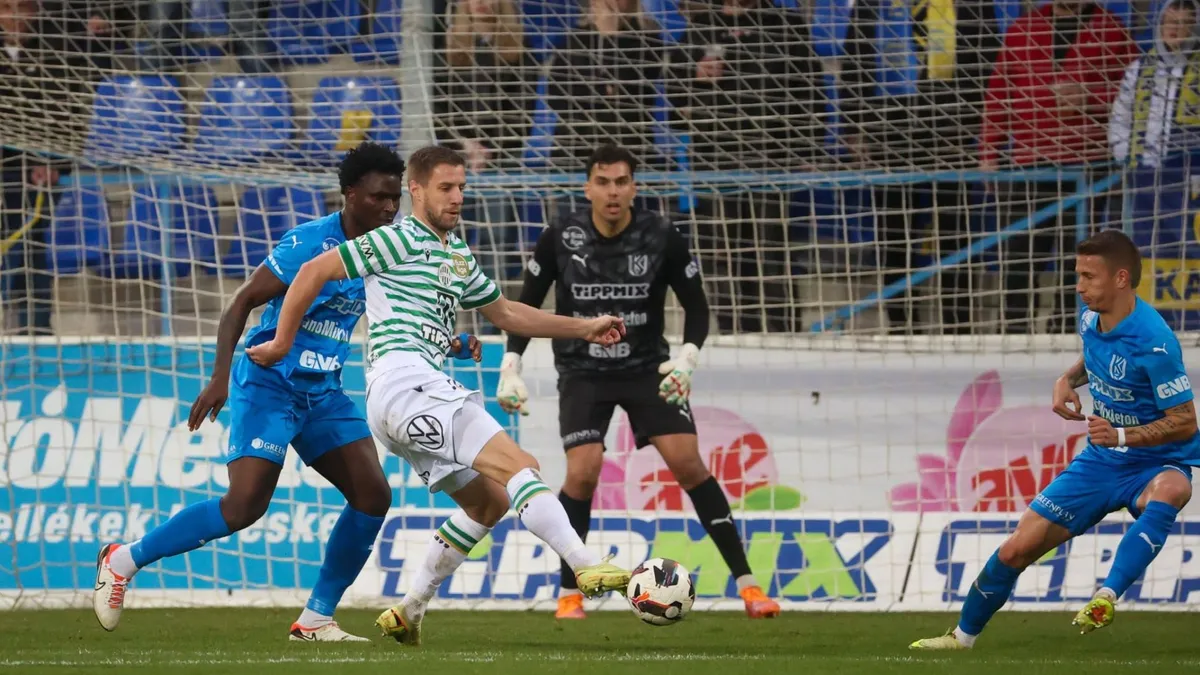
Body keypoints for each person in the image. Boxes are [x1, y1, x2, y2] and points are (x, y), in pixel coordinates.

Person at [244, 145, 632, 646]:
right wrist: (281, 341)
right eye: (445, 188)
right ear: (417, 190)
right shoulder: (396, 238)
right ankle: (584, 564)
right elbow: (312, 271)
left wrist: (585, 327)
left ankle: (409, 610)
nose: (456, 197)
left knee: (489, 504)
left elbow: (508, 314)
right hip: (407, 384)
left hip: (404, 400)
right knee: (521, 466)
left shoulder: (456, 254)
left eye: (461, 187)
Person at [91, 143, 472, 642]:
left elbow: (406, 315)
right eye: (377, 197)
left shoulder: (387, 249)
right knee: (244, 507)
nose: (387, 207)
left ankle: (315, 620)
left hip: (323, 393)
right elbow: (241, 302)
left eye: (393, 198)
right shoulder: (310, 243)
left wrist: (452, 341)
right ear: (350, 194)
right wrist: (219, 377)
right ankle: (122, 559)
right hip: (269, 383)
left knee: (373, 496)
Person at [495, 144, 781, 620]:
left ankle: (749, 587)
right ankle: (569, 592)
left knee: (688, 462)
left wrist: (687, 360)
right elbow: (524, 306)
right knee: (583, 471)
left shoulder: (661, 235)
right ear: (587, 188)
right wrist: (511, 366)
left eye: (621, 182)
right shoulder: (559, 236)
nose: (612, 191)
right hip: (583, 370)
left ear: (634, 188)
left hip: (648, 369)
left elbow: (697, 306)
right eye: (603, 182)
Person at [910, 229, 1199, 650]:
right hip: (1101, 461)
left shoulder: (1156, 344)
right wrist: (1067, 379)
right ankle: (961, 638)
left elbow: (1186, 422)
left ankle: (1106, 597)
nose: (1079, 286)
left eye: (1089, 277)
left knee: (1173, 489)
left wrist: (1121, 434)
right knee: (1017, 549)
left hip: (1156, 461)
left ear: (1121, 279)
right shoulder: (1090, 319)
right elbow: (1095, 357)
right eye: (1078, 275)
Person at [841, 0, 1002, 332]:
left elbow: (988, 62)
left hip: (952, 130)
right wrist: (853, 127)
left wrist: (979, 128)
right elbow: (854, 59)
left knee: (956, 235)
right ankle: (901, 327)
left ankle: (958, 328)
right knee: (894, 237)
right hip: (889, 131)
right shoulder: (874, 3)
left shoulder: (970, 3)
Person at [981, 0, 1137, 333]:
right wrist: (989, 149)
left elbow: (1135, 91)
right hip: (1030, 164)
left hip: (1086, 166)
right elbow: (999, 92)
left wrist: (1089, 97)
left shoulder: (1112, 29)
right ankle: (1014, 332)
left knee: (1078, 261)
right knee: (1020, 257)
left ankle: (1068, 332)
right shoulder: (1024, 28)